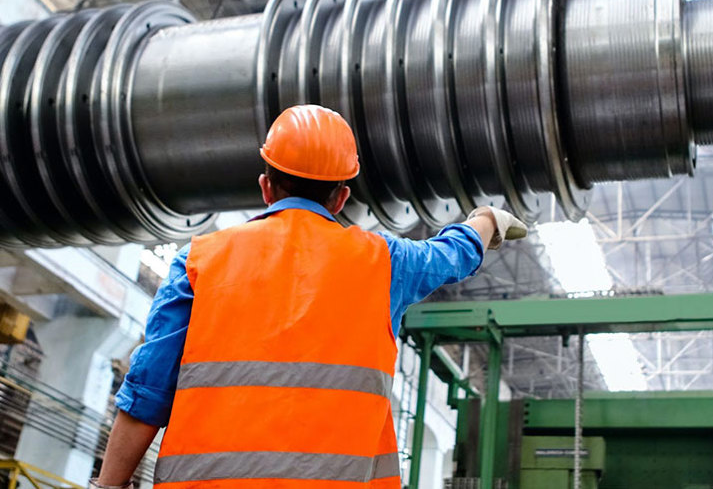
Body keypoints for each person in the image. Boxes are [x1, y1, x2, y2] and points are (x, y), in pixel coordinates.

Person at [91, 104, 527, 489]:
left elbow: (146, 392)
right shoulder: (385, 262)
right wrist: (486, 219)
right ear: (341, 198)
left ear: (266, 187)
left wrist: (110, 484)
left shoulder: (200, 260)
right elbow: (454, 255)